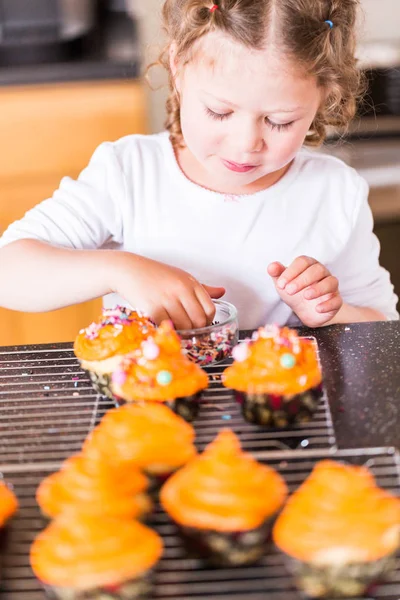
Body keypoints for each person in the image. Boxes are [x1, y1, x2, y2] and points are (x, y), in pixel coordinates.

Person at [0, 0, 397, 331]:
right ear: (178, 68)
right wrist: (119, 269)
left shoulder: (335, 191)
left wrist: (332, 312)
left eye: (279, 121)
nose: (246, 145)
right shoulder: (128, 172)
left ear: (323, 97)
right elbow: (9, 271)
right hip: (147, 412)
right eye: (219, 111)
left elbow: (382, 323)